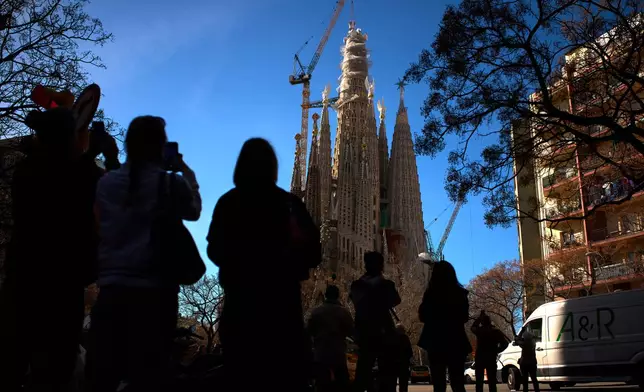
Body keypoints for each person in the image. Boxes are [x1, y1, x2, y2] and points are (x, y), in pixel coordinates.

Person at [0, 107, 119, 392]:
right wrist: (109, 156)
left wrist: (90, 156)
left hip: (21, 280)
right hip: (61, 288)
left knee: (9, 364)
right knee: (53, 373)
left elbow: (71, 177)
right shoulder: (82, 175)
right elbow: (117, 194)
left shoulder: (28, 170)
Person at [85, 116, 201, 392]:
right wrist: (184, 170)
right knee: (148, 376)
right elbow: (194, 211)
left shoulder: (106, 183)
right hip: (155, 295)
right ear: (161, 146)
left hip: (112, 291)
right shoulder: (170, 184)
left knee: (102, 375)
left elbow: (99, 224)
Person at [206, 137, 321, 392]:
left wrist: (239, 264)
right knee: (282, 377)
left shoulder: (229, 202)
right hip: (281, 307)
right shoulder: (289, 204)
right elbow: (314, 254)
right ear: (273, 167)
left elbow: (214, 249)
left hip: (240, 305)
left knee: (241, 375)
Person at [350, 251, 401, 392]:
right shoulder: (386, 285)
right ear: (381, 266)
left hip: (364, 331)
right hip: (383, 331)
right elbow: (396, 300)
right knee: (386, 369)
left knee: (364, 367)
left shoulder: (356, 285)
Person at [418, 261, 471, 392]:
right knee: (458, 382)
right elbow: (464, 317)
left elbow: (422, 316)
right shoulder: (460, 293)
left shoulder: (431, 294)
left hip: (435, 341)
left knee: (438, 383)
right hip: (456, 340)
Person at [307, 285, 354, 392]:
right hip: (338, 355)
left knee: (321, 385)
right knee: (342, 385)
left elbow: (309, 331)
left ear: (325, 296)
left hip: (320, 354)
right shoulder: (343, 312)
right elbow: (351, 331)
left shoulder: (316, 312)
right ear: (337, 296)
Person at [471, 311, 509, 392]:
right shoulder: (495, 331)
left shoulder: (480, 331)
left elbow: (473, 327)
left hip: (480, 358)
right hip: (491, 358)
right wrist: (497, 350)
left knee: (479, 382)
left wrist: (478, 318)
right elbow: (505, 344)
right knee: (492, 383)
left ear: (482, 322)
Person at [394, 324, 413, 392]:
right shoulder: (405, 338)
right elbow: (410, 352)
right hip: (404, 364)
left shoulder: (392, 338)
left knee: (392, 383)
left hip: (393, 363)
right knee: (403, 384)